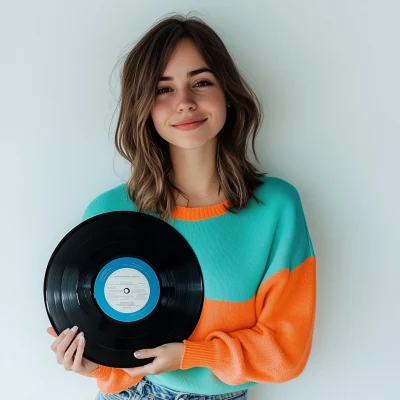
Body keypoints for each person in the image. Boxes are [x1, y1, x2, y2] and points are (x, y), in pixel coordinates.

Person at [47, 12, 317, 400]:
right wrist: (95, 364)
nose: (185, 103)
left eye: (201, 82)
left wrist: (192, 354)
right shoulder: (109, 213)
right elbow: (115, 345)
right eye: (163, 89)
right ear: (144, 105)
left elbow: (286, 353)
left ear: (227, 92)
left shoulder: (276, 207)